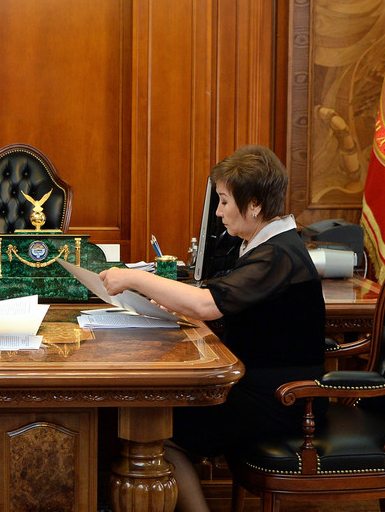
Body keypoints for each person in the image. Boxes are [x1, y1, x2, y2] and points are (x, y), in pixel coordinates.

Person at [99, 145, 325, 511]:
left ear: (253, 204)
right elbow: (224, 306)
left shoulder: (278, 253)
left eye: (223, 201)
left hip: (282, 400)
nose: (218, 212)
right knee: (151, 417)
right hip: (263, 387)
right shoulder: (265, 245)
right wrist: (171, 302)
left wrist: (132, 279)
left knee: (157, 428)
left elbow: (207, 303)